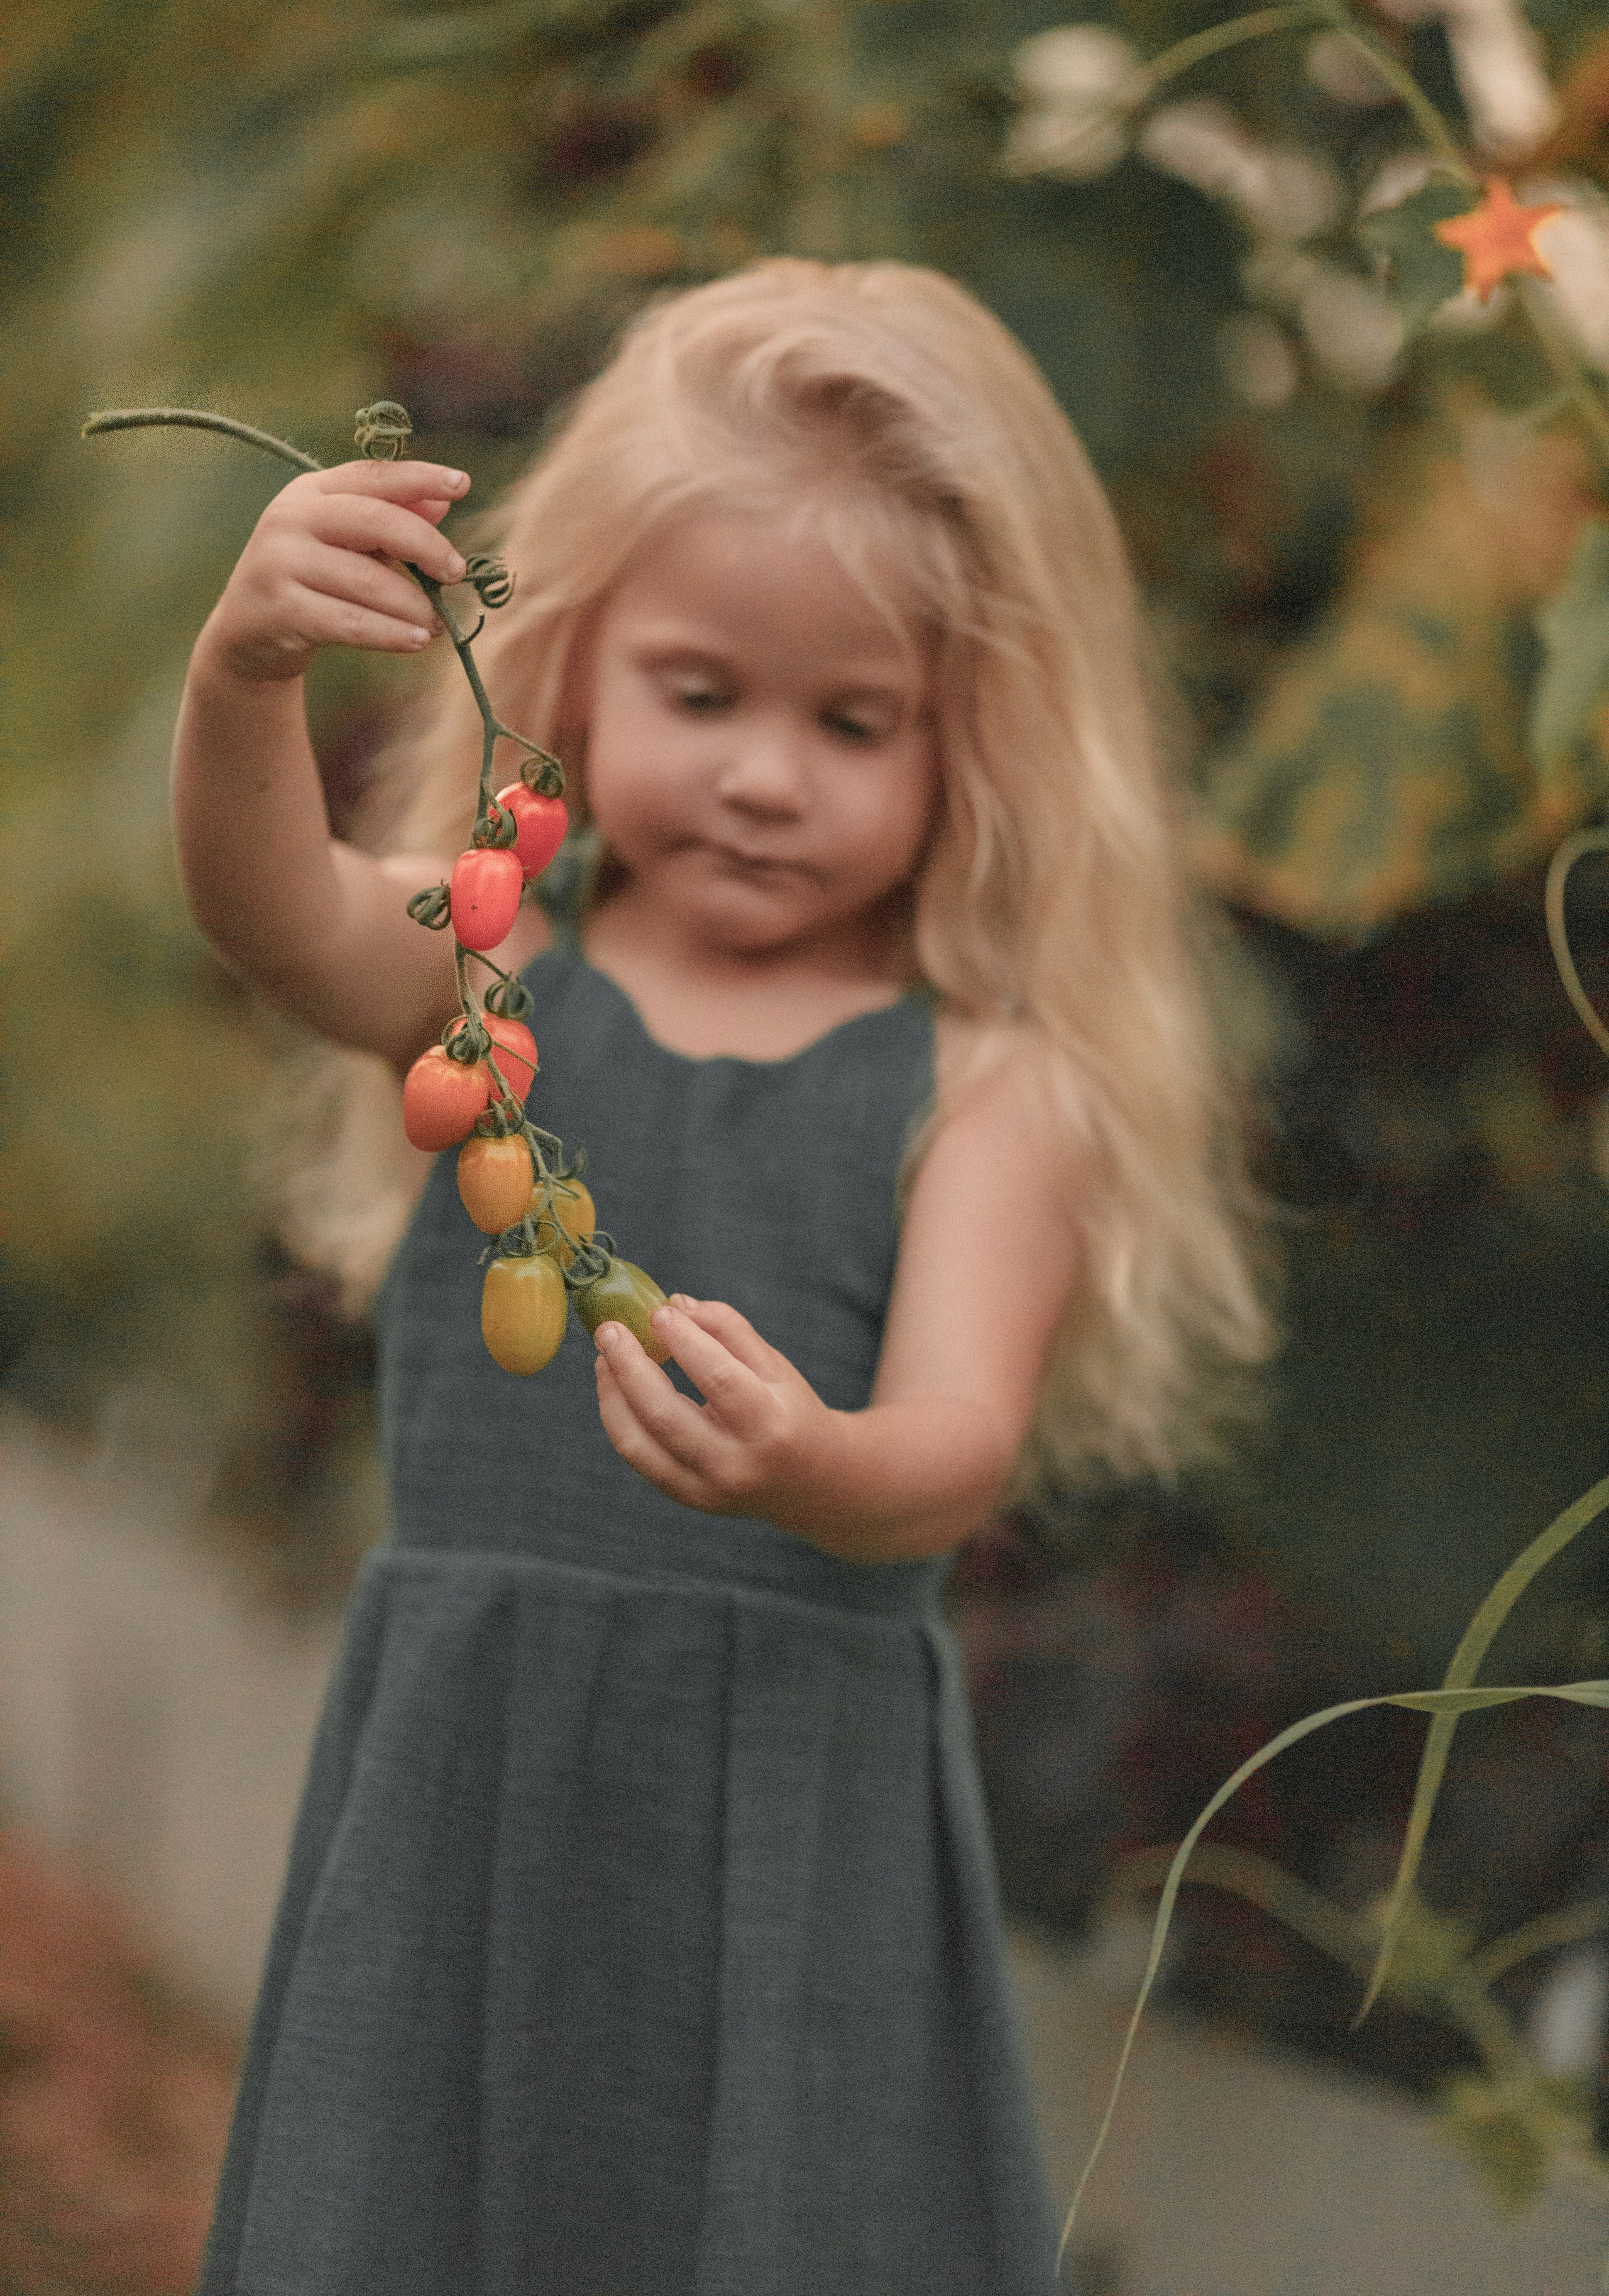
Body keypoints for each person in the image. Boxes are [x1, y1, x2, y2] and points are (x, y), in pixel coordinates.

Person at [171, 258, 1268, 2296]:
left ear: (982, 750)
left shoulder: (987, 1086)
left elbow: (952, 1445)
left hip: (786, 1807)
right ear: (576, 670)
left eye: (854, 724)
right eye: (704, 697)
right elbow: (280, 920)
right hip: (465, 1770)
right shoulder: (493, 961)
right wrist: (245, 673)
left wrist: (809, 1463)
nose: (767, 774)